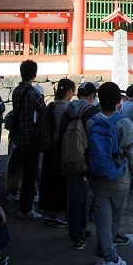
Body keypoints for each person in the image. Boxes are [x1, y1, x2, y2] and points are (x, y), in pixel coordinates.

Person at [86, 81, 133, 265]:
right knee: (113, 222)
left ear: (99, 99)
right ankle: (111, 259)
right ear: (119, 101)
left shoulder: (91, 122)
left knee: (102, 221)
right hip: (120, 178)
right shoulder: (125, 123)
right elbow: (132, 155)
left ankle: (101, 255)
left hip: (98, 176)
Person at [58, 80, 100, 248]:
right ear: (91, 96)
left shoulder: (69, 109)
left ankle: (75, 230)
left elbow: (61, 133)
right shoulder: (91, 111)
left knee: (74, 195)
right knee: (89, 194)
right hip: (87, 157)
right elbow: (95, 136)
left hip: (70, 156)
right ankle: (80, 229)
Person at [10, 60, 48, 219]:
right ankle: (27, 208)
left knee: (23, 171)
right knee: (30, 174)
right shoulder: (33, 93)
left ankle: (22, 205)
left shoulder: (16, 91)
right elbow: (44, 111)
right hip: (31, 137)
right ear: (34, 74)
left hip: (19, 136)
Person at [38, 78, 75, 227]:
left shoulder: (50, 107)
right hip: (62, 149)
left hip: (49, 149)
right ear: (69, 92)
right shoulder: (70, 109)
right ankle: (60, 215)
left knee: (48, 180)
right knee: (62, 182)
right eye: (73, 91)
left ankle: (49, 213)